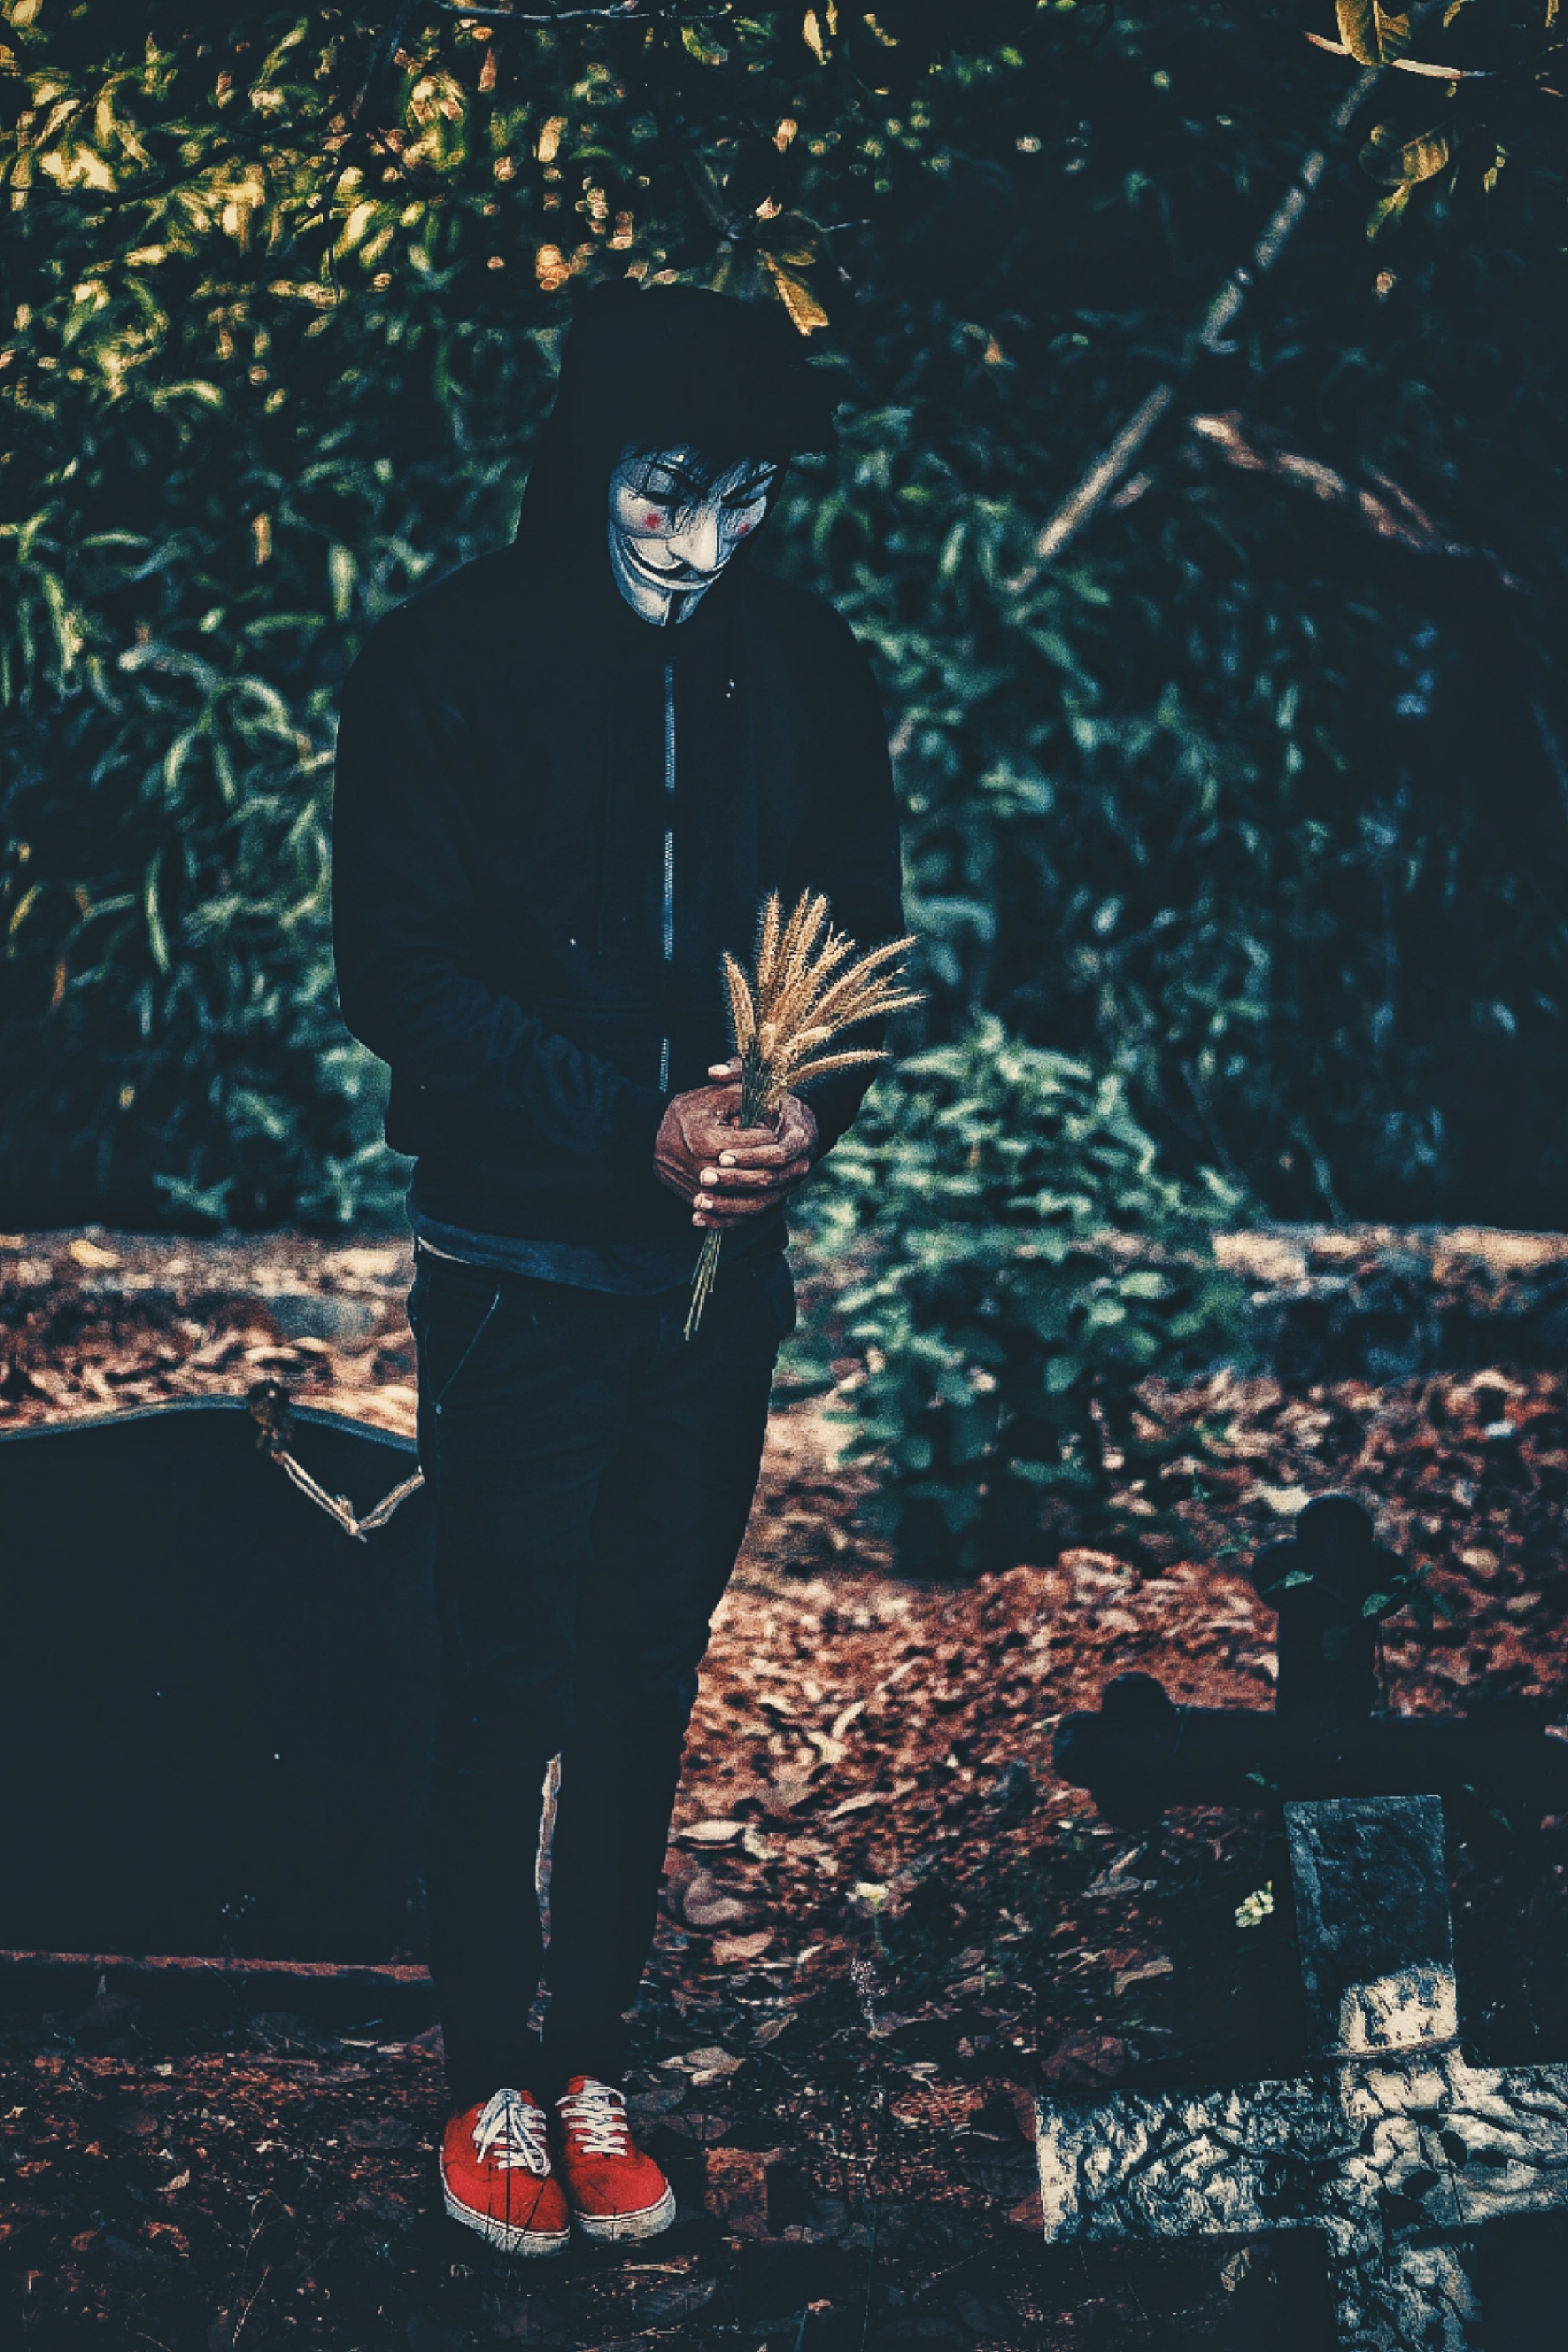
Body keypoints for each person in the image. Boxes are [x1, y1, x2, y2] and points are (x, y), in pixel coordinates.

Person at [331, 280, 904, 2255]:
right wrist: (624, 1122)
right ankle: (484, 2072)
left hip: (715, 1285)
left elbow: (860, 938)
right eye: (668, 487)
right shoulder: (444, 661)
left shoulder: (811, 668)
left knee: (644, 1668)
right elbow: (397, 973)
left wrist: (806, 1108)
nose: (703, 540)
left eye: (748, 497)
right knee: (504, 1669)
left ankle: (590, 2055)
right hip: (516, 1263)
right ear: (589, 460)